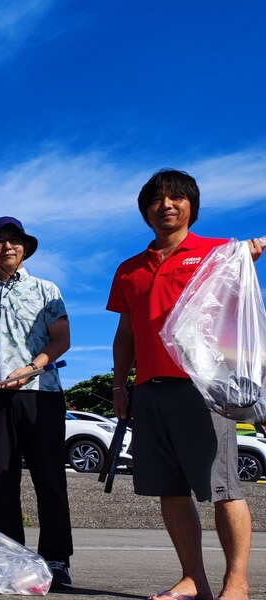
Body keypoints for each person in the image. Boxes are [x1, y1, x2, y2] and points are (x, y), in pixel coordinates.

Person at [108, 169, 262, 600]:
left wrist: (245, 257)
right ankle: (193, 579)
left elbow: (238, 309)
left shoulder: (218, 252)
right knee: (170, 490)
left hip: (205, 388)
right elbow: (126, 333)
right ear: (145, 211)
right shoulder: (129, 270)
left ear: (191, 205)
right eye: (156, 200)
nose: (166, 205)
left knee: (223, 489)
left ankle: (237, 582)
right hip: (149, 389)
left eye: (176, 197)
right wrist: (121, 387)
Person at [0, 216, 73, 589]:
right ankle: (11, 559)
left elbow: (61, 339)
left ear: (24, 248)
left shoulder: (45, 290)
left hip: (41, 395)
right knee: (1, 480)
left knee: (49, 478)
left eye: (14, 240)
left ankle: (56, 560)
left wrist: (31, 368)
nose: (7, 246)